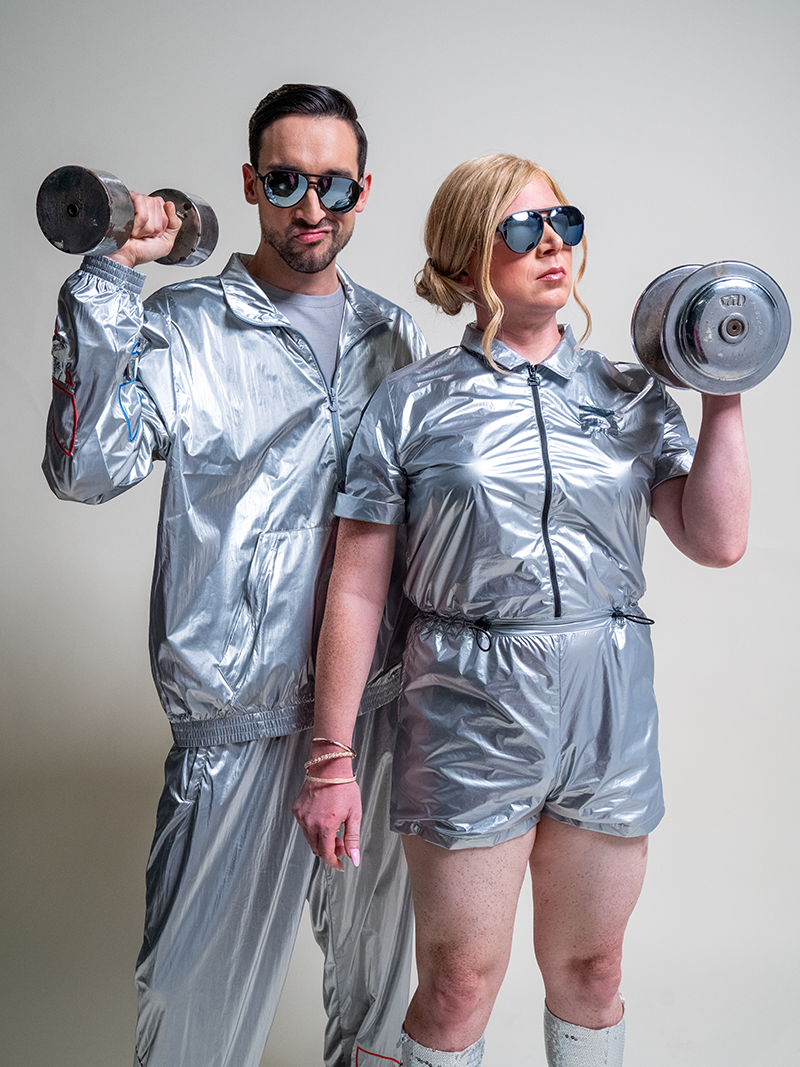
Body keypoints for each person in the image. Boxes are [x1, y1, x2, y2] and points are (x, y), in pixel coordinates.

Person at [293, 153, 750, 1067]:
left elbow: (718, 539)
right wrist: (331, 757)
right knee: (460, 978)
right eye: (520, 227)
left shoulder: (629, 397)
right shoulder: (412, 403)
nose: (552, 244)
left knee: (593, 965)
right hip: (469, 704)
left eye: (565, 222)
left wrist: (724, 388)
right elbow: (355, 584)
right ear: (467, 262)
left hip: (606, 700)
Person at [43, 84, 427, 1067]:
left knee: (388, 1006)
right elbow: (86, 467)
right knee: (190, 1018)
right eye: (287, 180)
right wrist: (106, 282)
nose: (310, 207)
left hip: (374, 719)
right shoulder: (187, 324)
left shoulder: (395, 339)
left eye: (331, 184)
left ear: (361, 189)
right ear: (251, 183)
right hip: (237, 718)